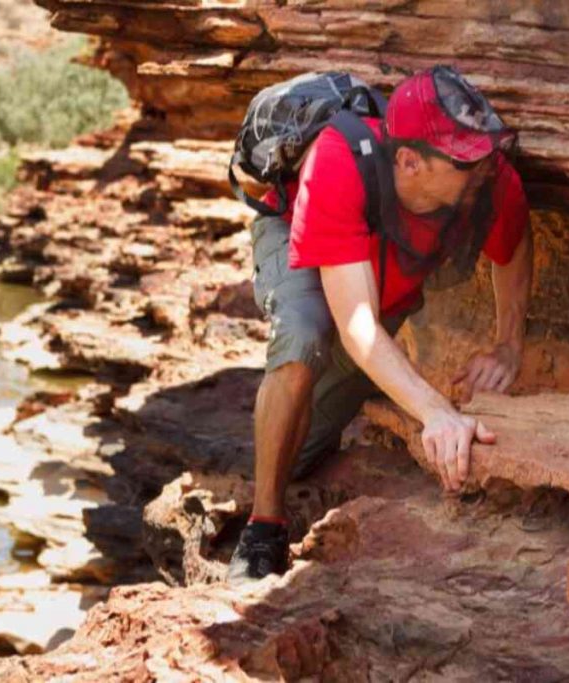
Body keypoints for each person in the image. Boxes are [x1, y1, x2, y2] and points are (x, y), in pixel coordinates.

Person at [227, 66, 534, 581]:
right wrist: (436, 412)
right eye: (463, 157)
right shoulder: (339, 160)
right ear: (410, 161)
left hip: (377, 278)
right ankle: (263, 530)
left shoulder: (486, 177)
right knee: (305, 334)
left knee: (303, 447)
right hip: (303, 247)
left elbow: (515, 241)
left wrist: (508, 345)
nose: (484, 165)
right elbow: (357, 324)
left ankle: (273, 449)